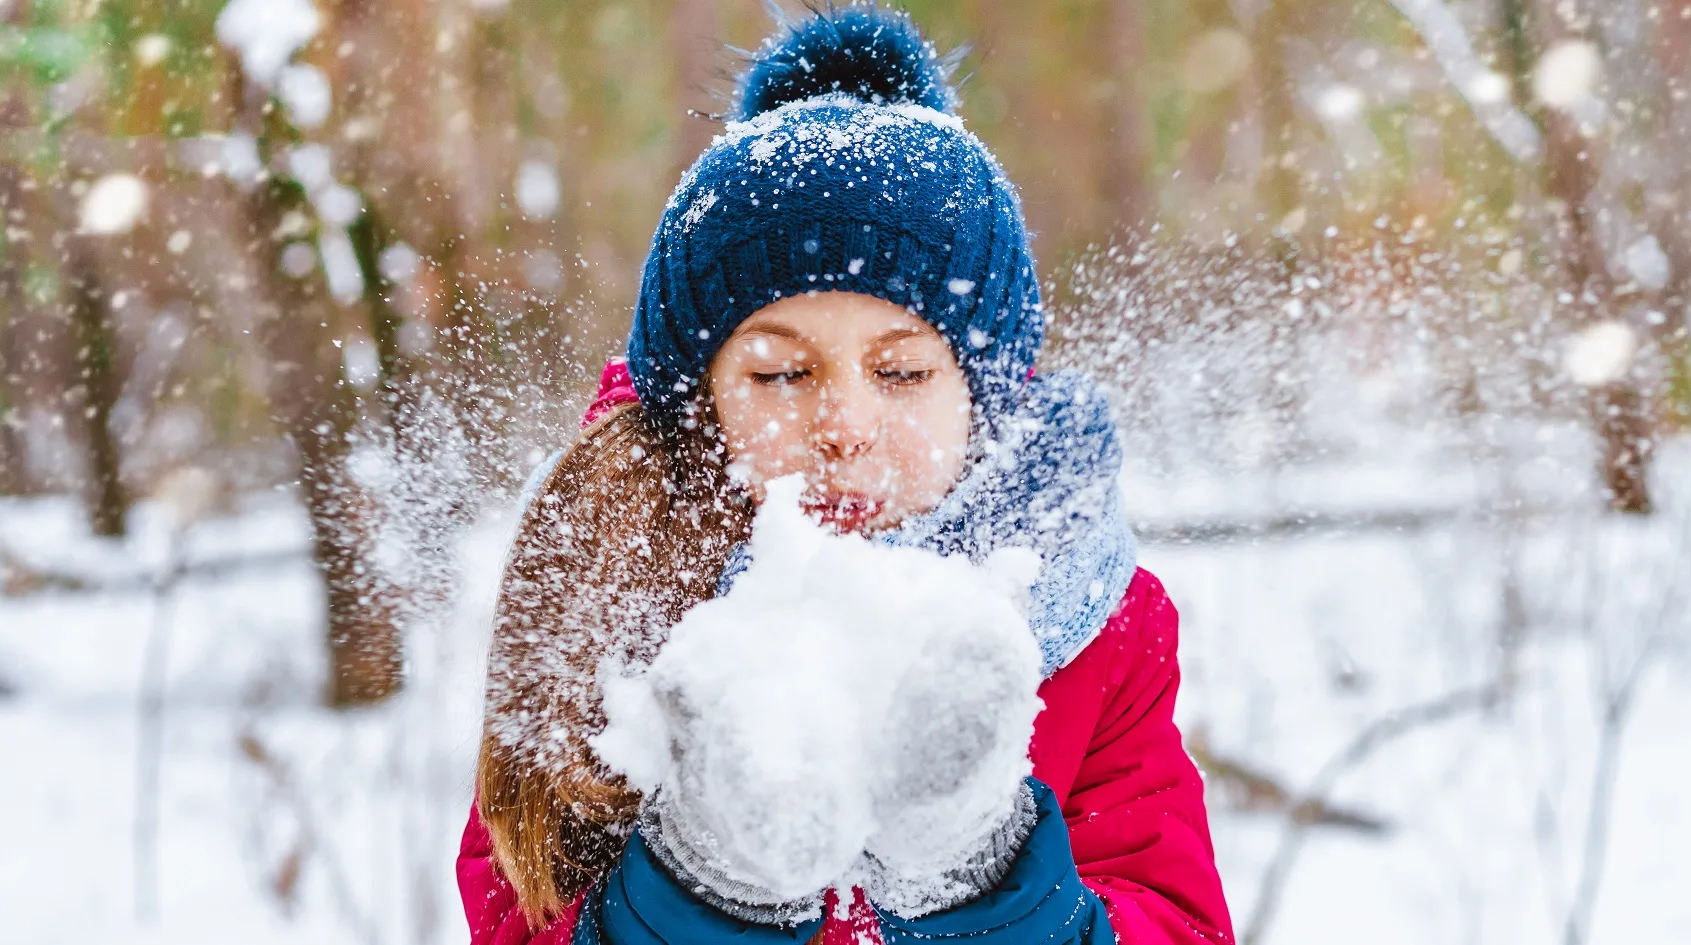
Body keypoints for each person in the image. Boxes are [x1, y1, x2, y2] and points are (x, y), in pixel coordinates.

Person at [458, 7, 1233, 945]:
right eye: (782, 373)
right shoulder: (611, 590)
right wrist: (709, 884)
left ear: (981, 395)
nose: (844, 428)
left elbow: (1175, 918)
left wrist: (977, 876)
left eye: (903, 372)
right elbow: (519, 911)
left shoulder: (1096, 622)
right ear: (698, 398)